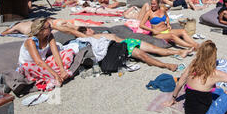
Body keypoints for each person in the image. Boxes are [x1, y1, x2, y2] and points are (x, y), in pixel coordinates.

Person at [59, 26, 192, 72]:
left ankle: (179, 51)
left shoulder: (99, 32)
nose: (89, 29)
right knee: (144, 56)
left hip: (128, 41)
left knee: (154, 48)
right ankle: (167, 65)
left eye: (88, 28)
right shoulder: (88, 38)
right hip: (122, 47)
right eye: (87, 30)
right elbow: (70, 30)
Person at [17, 18, 74, 91]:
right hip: (31, 66)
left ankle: (57, 74)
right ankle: (55, 76)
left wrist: (62, 69)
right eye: (49, 27)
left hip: (44, 63)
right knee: (27, 66)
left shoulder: (49, 36)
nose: (51, 28)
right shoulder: (31, 41)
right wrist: (55, 74)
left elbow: (56, 54)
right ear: (41, 31)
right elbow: (38, 61)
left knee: (68, 52)